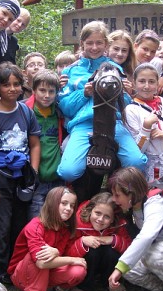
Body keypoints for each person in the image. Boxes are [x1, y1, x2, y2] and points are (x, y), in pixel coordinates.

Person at [57, 21, 147, 201]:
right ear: (82, 44)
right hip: (83, 125)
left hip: (114, 124)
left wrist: (126, 93)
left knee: (136, 162)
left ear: (106, 44)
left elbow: (125, 106)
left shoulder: (116, 68)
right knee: (68, 171)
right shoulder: (71, 71)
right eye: (89, 43)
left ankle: (118, 194)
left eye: (99, 43)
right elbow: (65, 106)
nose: (94, 47)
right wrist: (84, 94)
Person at [0, 62, 41, 291]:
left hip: (21, 177)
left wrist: (32, 174)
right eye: (6, 85)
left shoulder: (26, 112)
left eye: (16, 84)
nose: (12, 89)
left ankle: (13, 271)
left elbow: (34, 144)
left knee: (19, 226)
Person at [8, 187, 87, 291]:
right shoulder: (35, 226)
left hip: (46, 270)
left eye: (72, 206)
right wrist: (71, 259)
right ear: (52, 203)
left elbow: (63, 253)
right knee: (41, 256)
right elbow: (41, 263)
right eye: (64, 203)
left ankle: (59, 288)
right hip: (23, 274)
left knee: (79, 270)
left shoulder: (65, 229)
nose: (69, 209)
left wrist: (80, 243)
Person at [67, 192, 131, 291]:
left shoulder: (118, 226)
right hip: (88, 262)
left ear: (113, 219)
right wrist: (82, 241)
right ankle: (84, 285)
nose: (100, 219)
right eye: (97, 213)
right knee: (92, 252)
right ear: (90, 211)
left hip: (107, 262)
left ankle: (111, 282)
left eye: (107, 217)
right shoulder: (78, 224)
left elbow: (130, 248)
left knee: (112, 252)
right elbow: (68, 252)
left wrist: (114, 239)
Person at [23, 69, 65, 220]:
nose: (47, 95)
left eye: (51, 91)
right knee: (36, 220)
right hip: (36, 179)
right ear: (33, 90)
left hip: (57, 178)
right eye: (42, 90)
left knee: (57, 220)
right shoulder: (25, 111)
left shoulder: (60, 112)